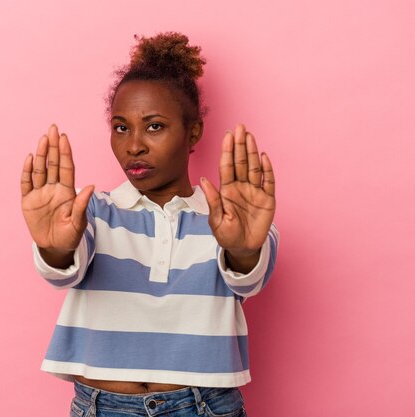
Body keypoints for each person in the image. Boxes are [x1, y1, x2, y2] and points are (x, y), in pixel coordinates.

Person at [21, 32, 279, 417]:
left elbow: (248, 277)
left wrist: (242, 248)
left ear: (193, 132)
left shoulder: (230, 216)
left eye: (154, 126)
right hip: (101, 407)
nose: (134, 145)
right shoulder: (91, 211)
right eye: (121, 127)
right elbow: (63, 271)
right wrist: (55, 248)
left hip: (204, 407)